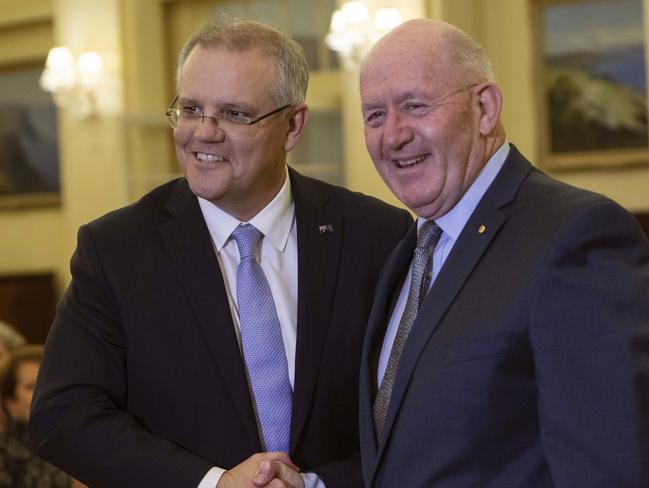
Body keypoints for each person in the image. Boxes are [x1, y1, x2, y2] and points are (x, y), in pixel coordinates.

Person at [29, 17, 411, 488]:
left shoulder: (379, 236)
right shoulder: (115, 250)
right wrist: (213, 484)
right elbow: (62, 414)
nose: (203, 133)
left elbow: (415, 412)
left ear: (293, 126)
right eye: (190, 108)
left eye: (234, 113)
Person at [357, 18, 649, 487]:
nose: (392, 135)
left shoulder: (574, 234)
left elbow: (609, 467)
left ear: (486, 108)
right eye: (374, 115)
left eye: (414, 105)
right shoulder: (406, 255)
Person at [0, 345, 70, 487]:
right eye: (31, 386)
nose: (44, 392)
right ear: (11, 403)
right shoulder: (4, 454)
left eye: (49, 382)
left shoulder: (78, 438)